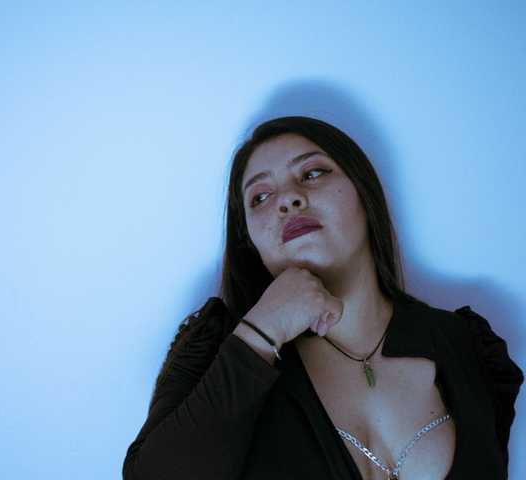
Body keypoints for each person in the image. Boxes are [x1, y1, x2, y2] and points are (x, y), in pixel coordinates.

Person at [121, 116, 524, 479]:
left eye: (312, 173)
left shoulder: (467, 346)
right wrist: (262, 331)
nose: (288, 199)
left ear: (364, 192)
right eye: (260, 197)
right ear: (249, 238)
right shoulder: (217, 352)